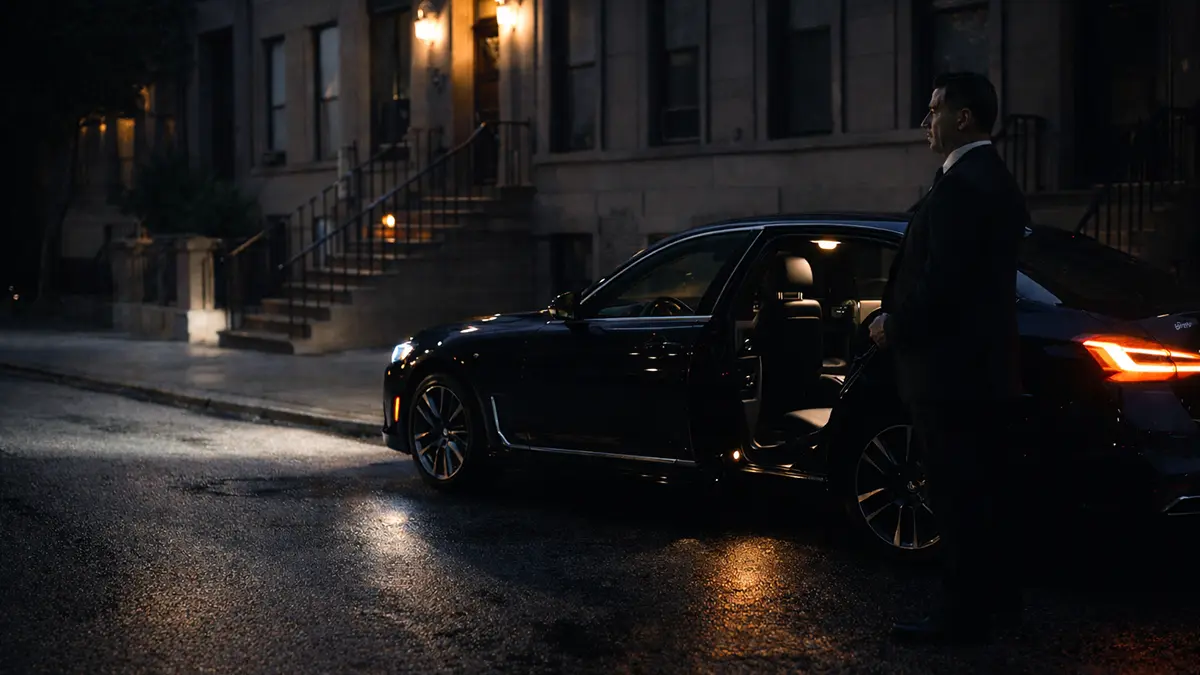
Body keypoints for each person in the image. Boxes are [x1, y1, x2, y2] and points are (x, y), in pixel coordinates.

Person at [869, 71, 1029, 644]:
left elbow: (945, 284)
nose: (925, 121)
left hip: (950, 374)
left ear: (963, 118)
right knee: (986, 494)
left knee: (959, 497)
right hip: (982, 370)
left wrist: (893, 325)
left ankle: (961, 617)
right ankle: (998, 605)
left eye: (934, 109)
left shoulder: (964, 186)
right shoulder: (993, 179)